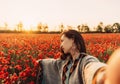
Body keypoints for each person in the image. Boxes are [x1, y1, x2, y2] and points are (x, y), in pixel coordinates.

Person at [36, 29, 107, 84]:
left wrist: (101, 74)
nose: (61, 45)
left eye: (62, 41)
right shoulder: (65, 63)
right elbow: (51, 64)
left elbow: (91, 66)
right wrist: (37, 63)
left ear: (72, 39)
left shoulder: (84, 61)